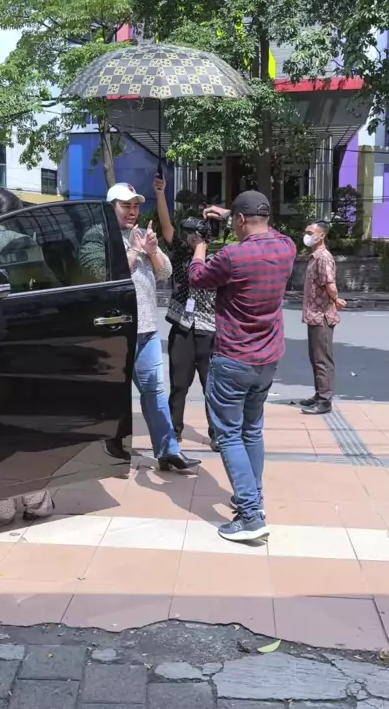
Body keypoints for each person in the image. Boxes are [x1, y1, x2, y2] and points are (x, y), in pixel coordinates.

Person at [188, 190, 296, 543]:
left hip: (233, 358)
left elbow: (198, 277)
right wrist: (232, 213)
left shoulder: (232, 256)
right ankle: (256, 502)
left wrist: (200, 245)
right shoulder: (287, 247)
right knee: (252, 431)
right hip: (268, 359)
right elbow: (268, 230)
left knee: (230, 435)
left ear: (239, 220)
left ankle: (249, 515)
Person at [79, 182, 200, 472]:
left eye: (135, 206)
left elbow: (166, 272)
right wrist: (133, 252)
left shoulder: (142, 233)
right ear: (111, 207)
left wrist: (153, 251)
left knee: (154, 391)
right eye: (126, 206)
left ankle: (168, 451)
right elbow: (100, 274)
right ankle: (111, 450)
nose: (132, 211)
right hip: (114, 331)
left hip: (146, 329)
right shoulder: (97, 236)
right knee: (114, 396)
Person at [0, 187, 54, 526]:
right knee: (26, 424)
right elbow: (46, 285)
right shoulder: (21, 242)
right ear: (13, 214)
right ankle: (35, 500)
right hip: (18, 340)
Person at [154, 174, 217, 449]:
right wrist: (160, 193)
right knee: (179, 384)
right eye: (187, 234)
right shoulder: (180, 253)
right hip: (181, 326)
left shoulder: (217, 261)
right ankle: (174, 432)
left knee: (211, 386)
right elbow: (166, 227)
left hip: (208, 330)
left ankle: (218, 433)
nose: (188, 237)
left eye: (193, 234)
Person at [300, 220, 346, 415]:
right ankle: (319, 394)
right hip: (314, 315)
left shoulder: (324, 258)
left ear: (321, 236)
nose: (307, 235)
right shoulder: (314, 257)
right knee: (315, 357)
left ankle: (325, 400)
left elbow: (330, 284)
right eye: (306, 232)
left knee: (322, 360)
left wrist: (336, 299)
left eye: (310, 232)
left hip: (322, 316)